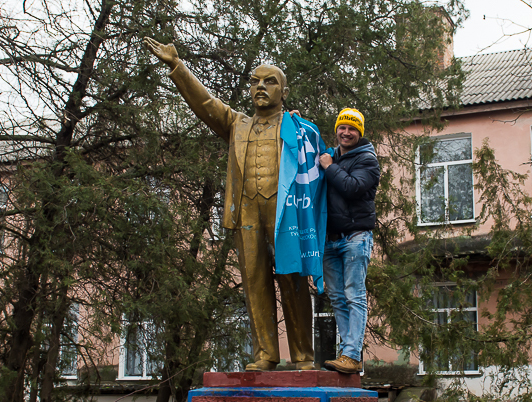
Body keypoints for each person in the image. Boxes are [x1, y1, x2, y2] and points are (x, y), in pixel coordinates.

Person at [144, 37, 323, 372]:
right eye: (255, 81)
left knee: (293, 281)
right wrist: (177, 66)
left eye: (270, 82)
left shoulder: (296, 126)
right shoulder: (237, 124)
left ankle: (303, 356)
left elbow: (316, 164)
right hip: (247, 213)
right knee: (254, 282)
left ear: (284, 93)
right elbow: (205, 104)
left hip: (286, 213)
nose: (260, 86)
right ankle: (265, 353)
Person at [318, 108, 380, 374]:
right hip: (329, 241)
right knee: (337, 298)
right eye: (342, 127)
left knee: (354, 295)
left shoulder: (368, 160)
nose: (346, 132)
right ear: (337, 130)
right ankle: (346, 354)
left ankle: (352, 355)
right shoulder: (330, 156)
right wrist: (292, 121)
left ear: (360, 133)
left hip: (355, 238)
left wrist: (330, 167)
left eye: (352, 128)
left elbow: (353, 187)